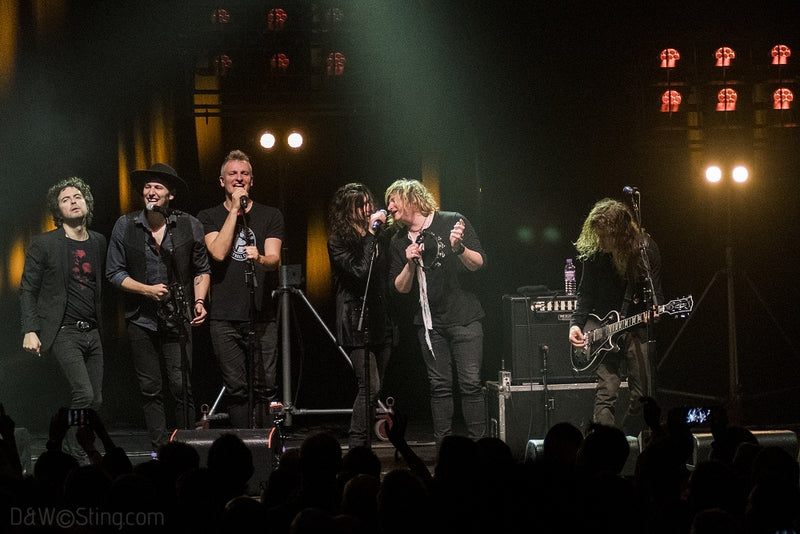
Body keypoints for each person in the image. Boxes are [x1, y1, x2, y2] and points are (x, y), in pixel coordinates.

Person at [106, 163, 210, 451]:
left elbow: (202, 268)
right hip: (142, 319)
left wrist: (199, 301)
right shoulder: (126, 225)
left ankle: (187, 446)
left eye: (158, 187)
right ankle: (160, 448)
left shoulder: (189, 225)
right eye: (148, 186)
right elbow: (114, 273)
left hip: (178, 317)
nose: (151, 191)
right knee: (150, 388)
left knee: (181, 387)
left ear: (171, 194)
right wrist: (146, 290)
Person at [385, 178, 486, 446]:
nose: (390, 207)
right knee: (439, 389)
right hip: (430, 325)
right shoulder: (398, 240)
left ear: (411, 198)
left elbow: (478, 263)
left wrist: (459, 248)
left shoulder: (451, 220)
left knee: (471, 386)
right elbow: (400, 288)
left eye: (394, 200)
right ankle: (445, 451)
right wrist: (409, 264)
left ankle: (480, 449)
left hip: (464, 319)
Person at [197, 149, 284, 428]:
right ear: (221, 181)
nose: (239, 178)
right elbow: (219, 253)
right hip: (223, 316)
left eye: (244, 173)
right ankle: (244, 448)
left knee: (265, 388)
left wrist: (258, 257)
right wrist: (234, 209)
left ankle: (268, 449)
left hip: (261, 315)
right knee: (236, 389)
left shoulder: (270, 215)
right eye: (232, 174)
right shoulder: (208, 216)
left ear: (252, 180)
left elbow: (274, 260)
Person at [20, 177, 106, 458]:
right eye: (65, 199)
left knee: (96, 399)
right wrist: (30, 329)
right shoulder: (44, 244)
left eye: (77, 196)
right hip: (63, 331)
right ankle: (73, 450)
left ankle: (74, 445)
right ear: (57, 212)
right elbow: (28, 289)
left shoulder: (98, 241)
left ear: (87, 203)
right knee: (84, 394)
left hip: (92, 331)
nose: (73, 201)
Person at [568, 197, 664, 435]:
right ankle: (604, 447)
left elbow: (657, 294)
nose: (600, 241)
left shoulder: (645, 250)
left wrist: (657, 311)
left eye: (605, 236)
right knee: (606, 393)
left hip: (635, 327)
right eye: (597, 235)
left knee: (643, 397)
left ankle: (626, 442)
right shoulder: (594, 254)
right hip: (601, 330)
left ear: (621, 234)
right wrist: (575, 324)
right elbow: (585, 292)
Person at [326, 183, 393, 448]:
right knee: (369, 385)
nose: (368, 208)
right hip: (355, 322)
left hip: (381, 320)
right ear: (348, 209)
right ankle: (357, 446)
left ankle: (363, 446)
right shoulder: (338, 240)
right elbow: (359, 273)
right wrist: (368, 235)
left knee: (376, 387)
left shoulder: (378, 237)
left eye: (369, 202)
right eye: (361, 204)